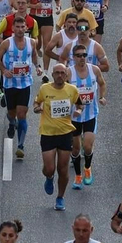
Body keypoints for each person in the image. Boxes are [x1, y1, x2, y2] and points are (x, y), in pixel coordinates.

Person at [35, 63, 82, 211]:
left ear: (66, 76)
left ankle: (60, 197)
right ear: (53, 75)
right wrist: (37, 108)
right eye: (57, 73)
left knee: (63, 169)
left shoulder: (72, 90)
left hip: (65, 133)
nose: (60, 75)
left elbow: (80, 104)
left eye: (63, 73)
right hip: (48, 133)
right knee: (49, 169)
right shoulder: (45, 89)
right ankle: (49, 178)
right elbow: (37, 102)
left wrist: (78, 112)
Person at [0, 18, 38, 159]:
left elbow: (34, 55)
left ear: (26, 28)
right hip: (10, 84)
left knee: (22, 114)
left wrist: (37, 67)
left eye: (22, 27)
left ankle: (20, 146)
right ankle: (11, 122)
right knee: (12, 113)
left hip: (25, 83)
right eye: (17, 27)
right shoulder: (6, 43)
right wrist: (4, 70)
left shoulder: (31, 42)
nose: (20, 29)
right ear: (13, 28)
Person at [67, 40, 105, 187]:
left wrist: (101, 96)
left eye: (84, 55)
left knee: (88, 146)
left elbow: (102, 83)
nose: (82, 58)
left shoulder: (94, 70)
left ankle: (87, 168)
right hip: (74, 116)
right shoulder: (69, 72)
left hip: (90, 114)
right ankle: (77, 176)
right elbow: (62, 91)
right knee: (76, 148)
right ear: (73, 57)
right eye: (78, 55)